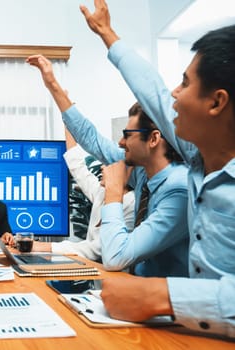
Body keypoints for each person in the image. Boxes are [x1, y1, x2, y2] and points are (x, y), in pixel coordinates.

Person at [80, 0, 235, 337]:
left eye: (185, 83)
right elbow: (151, 90)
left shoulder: (183, 173)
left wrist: (164, 295)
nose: (173, 95)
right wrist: (108, 35)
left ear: (216, 102)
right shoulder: (199, 154)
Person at [26, 53, 189, 277]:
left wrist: (113, 192)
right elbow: (92, 139)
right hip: (136, 288)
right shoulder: (143, 171)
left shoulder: (178, 188)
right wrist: (53, 85)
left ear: (153, 139)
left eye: (127, 135)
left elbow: (115, 257)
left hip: (166, 303)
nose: (120, 143)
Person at [31, 124, 135, 261]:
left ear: (126, 172)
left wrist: (44, 247)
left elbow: (98, 249)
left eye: (109, 164)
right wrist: (68, 123)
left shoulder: (131, 203)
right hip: (97, 275)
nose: (103, 168)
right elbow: (77, 168)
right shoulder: (102, 193)